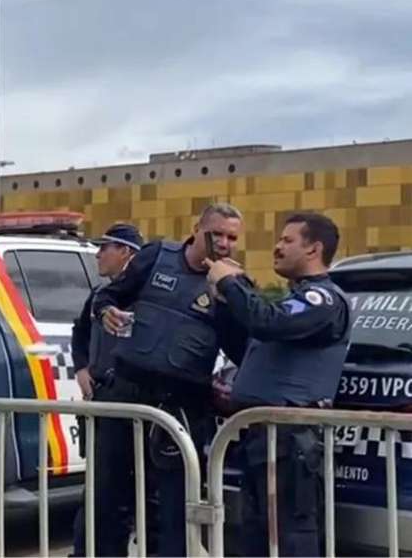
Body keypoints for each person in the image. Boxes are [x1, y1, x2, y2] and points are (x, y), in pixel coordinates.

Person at [92, 203, 248, 557]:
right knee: (107, 496)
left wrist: (231, 294)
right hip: (126, 393)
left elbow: (243, 350)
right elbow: (108, 295)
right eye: (217, 234)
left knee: (175, 507)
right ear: (196, 229)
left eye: (232, 238)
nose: (224, 243)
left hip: (183, 405)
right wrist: (105, 312)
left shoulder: (234, 285)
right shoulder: (157, 256)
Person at [206, 212, 351, 557]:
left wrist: (231, 283)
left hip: (291, 440)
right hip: (262, 438)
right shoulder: (291, 301)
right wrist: (226, 304)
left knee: (290, 538)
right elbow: (249, 348)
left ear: (314, 249)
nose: (277, 246)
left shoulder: (323, 300)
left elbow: (268, 323)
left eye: (287, 240)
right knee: (258, 536)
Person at [70, 223, 142, 556]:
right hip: (102, 403)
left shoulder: (145, 294)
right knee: (98, 496)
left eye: (105, 248)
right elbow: (80, 329)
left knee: (126, 499)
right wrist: (82, 366)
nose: (98, 254)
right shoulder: (101, 294)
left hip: (133, 406)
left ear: (126, 252)